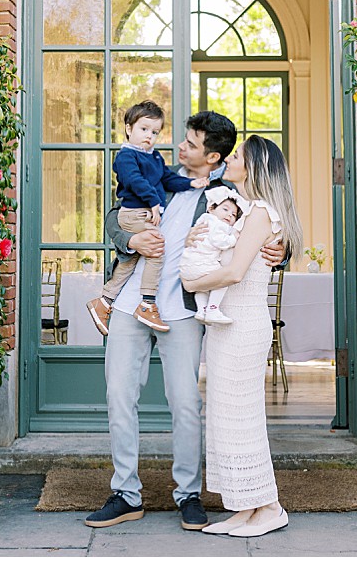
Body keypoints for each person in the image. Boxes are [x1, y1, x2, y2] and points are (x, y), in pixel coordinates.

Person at [83, 112, 286, 533]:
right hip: (128, 304)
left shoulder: (230, 194)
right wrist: (129, 239)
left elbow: (272, 229)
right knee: (119, 397)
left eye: (191, 144)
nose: (180, 147)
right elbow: (113, 215)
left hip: (184, 312)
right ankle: (125, 493)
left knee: (186, 405)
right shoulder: (152, 169)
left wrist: (280, 251)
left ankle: (188, 494)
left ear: (213, 156)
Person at [181, 135, 302, 538]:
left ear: (253, 168)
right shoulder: (245, 209)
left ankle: (269, 506)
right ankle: (243, 507)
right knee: (225, 419)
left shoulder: (262, 213)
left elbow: (233, 272)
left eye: (237, 157)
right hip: (226, 325)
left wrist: (191, 280)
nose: (230, 160)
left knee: (243, 420)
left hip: (243, 326)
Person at [86, 100, 206, 335]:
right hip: (134, 213)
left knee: (129, 262)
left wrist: (191, 183)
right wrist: (153, 201)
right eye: (143, 129)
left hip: (143, 213)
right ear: (129, 128)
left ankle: (103, 301)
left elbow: (167, 179)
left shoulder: (154, 157)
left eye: (154, 132)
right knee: (156, 251)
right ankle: (147, 303)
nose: (149, 136)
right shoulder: (126, 156)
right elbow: (134, 181)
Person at [181, 187, 245, 325]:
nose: (229, 215)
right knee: (221, 280)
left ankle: (201, 310)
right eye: (225, 209)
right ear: (211, 208)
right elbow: (220, 242)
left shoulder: (203, 220)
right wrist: (233, 238)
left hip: (187, 267)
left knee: (202, 287)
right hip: (202, 265)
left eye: (234, 215)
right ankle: (213, 309)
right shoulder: (217, 224)